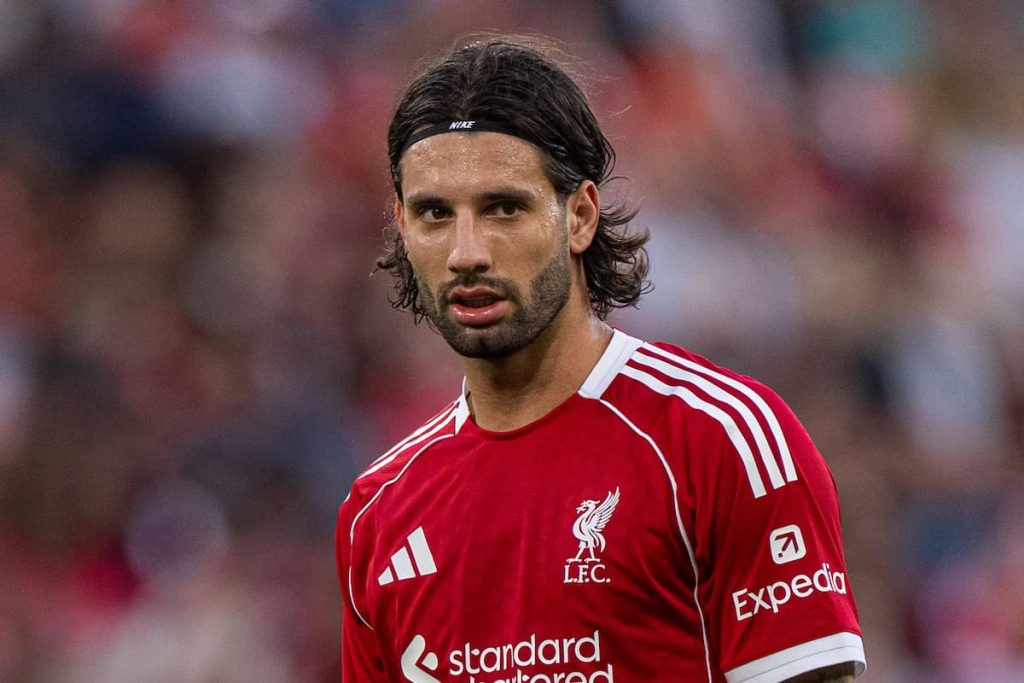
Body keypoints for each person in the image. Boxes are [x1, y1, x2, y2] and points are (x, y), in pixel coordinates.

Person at [336, 36, 866, 683]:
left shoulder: (718, 437)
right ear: (401, 225)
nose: (467, 251)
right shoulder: (379, 512)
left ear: (581, 215)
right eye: (434, 214)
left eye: (504, 207)